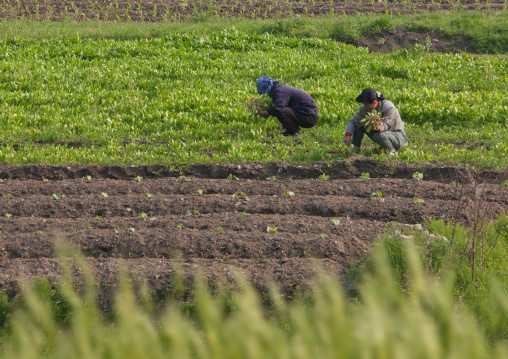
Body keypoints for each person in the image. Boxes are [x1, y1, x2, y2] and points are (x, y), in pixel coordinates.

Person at [343, 88, 407, 156]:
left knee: (379, 136)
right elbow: (353, 121)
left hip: (396, 135)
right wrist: (348, 135)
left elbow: (385, 126)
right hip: (381, 134)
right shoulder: (364, 109)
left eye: (366, 105)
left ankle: (391, 150)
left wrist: (377, 127)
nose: (364, 107)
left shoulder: (389, 108)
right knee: (359, 125)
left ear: (374, 102)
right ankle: (355, 150)